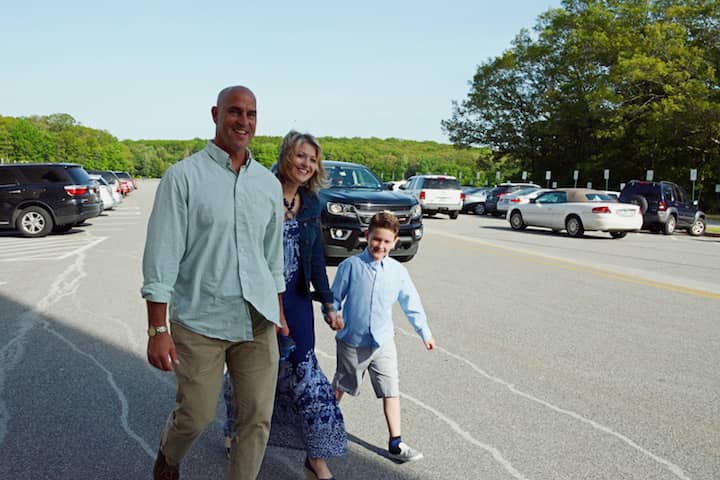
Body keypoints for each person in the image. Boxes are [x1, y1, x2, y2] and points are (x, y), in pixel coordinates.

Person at [141, 85, 286, 480]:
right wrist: (157, 328)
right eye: (235, 112)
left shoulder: (267, 184)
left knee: (257, 418)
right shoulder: (183, 177)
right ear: (215, 114)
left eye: (251, 114)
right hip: (200, 320)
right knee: (197, 415)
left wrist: (280, 310)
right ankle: (169, 455)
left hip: (257, 320)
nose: (244, 121)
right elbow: (162, 255)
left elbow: (271, 256)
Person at [223, 130, 346, 480]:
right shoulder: (260, 190)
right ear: (285, 155)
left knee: (307, 379)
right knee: (249, 374)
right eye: (300, 155)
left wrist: (328, 303)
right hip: (258, 300)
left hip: (296, 301)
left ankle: (315, 458)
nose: (306, 164)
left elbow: (317, 256)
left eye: (312, 159)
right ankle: (237, 432)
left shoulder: (311, 203)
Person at [330, 212, 436, 463]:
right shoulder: (351, 266)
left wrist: (425, 332)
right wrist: (333, 315)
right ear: (367, 236)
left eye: (387, 241)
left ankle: (396, 442)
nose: (380, 245)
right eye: (376, 239)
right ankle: (323, 427)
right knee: (341, 386)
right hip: (352, 342)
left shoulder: (397, 271)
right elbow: (334, 297)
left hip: (383, 342)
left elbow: (412, 303)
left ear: (395, 242)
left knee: (391, 390)